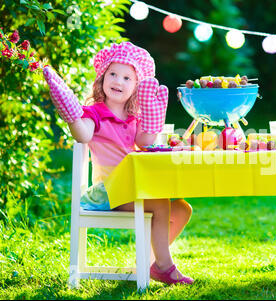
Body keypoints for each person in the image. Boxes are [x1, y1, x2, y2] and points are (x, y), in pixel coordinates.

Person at [43, 41, 193, 285]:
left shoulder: (133, 117)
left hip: (132, 186)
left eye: (126, 77)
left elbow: (145, 141)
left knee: (182, 209)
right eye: (112, 74)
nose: (118, 81)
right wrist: (72, 116)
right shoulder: (95, 113)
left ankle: (150, 264)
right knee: (161, 204)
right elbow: (83, 134)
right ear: (102, 79)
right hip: (109, 190)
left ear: (136, 87)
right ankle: (165, 267)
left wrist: (153, 118)